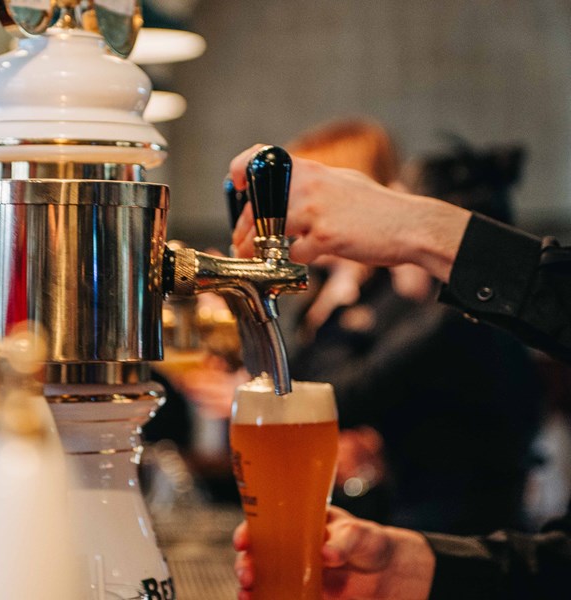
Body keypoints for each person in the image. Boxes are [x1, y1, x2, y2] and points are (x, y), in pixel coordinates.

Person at [228, 144, 571, 599]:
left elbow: (342, 393)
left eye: (404, 200)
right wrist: (403, 568)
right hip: (448, 532)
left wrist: (417, 230)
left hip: (457, 516)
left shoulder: (449, 323)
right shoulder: (439, 316)